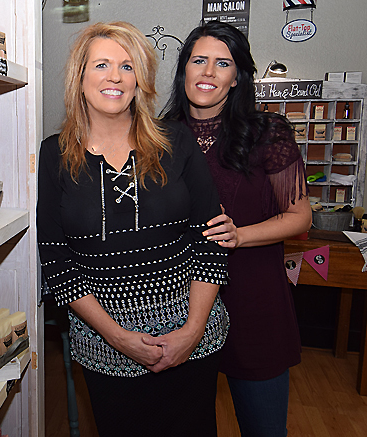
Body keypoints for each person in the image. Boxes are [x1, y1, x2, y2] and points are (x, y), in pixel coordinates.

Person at [37, 21, 229, 436]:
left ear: (140, 80)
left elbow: (211, 240)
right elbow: (56, 259)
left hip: (191, 337)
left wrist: (191, 331)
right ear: (80, 77)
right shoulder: (54, 155)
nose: (115, 77)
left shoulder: (176, 140)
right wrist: (119, 337)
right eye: (102, 64)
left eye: (127, 66)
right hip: (105, 345)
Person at [162, 20, 312, 437]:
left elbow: (300, 217)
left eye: (222, 63)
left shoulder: (269, 133)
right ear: (184, 70)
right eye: (199, 60)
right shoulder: (158, 137)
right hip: (179, 309)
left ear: (236, 78)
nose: (208, 72)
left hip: (254, 305)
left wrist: (240, 234)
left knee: (263, 428)